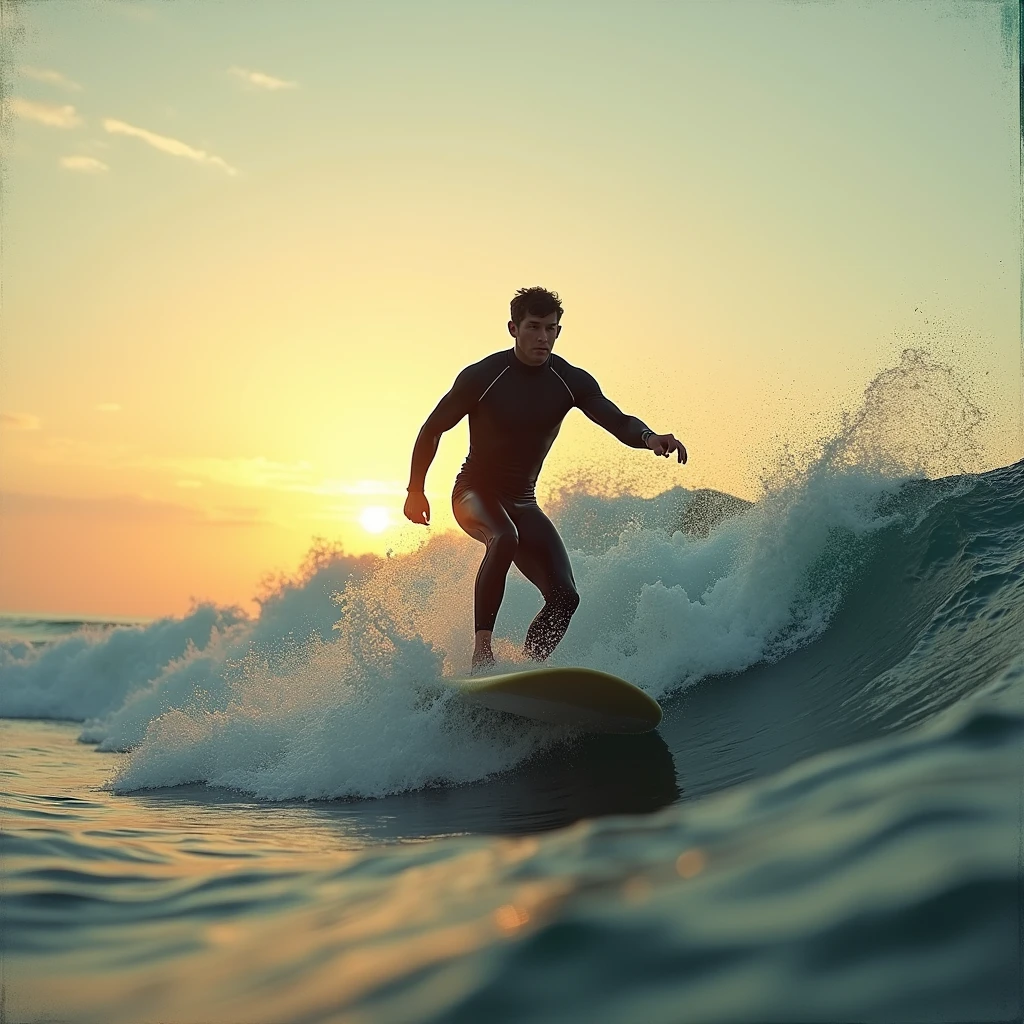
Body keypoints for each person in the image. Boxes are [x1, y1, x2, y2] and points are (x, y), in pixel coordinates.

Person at [404, 286, 687, 670]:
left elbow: (615, 419)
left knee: (565, 598)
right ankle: (481, 653)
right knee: (503, 538)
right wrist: (416, 489)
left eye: (551, 328)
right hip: (473, 492)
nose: (543, 337)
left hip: (522, 500)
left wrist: (649, 438)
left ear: (559, 331)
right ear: (513, 328)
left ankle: (526, 670)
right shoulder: (484, 375)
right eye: (534, 327)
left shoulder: (569, 380)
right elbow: (432, 428)